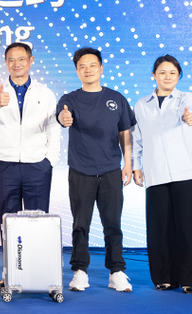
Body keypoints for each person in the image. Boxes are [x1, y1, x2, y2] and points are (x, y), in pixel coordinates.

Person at [0, 42, 59, 288]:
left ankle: (36, 272)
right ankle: (11, 272)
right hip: (6, 165)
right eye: (11, 60)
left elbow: (53, 129)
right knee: (8, 219)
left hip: (37, 166)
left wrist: (49, 161)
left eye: (21, 59)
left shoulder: (45, 93)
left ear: (31, 61)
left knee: (37, 220)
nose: (16, 63)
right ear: (6, 63)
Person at [56, 47, 136, 293]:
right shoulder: (69, 99)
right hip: (81, 170)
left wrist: (128, 164)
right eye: (82, 66)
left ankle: (117, 271)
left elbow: (125, 132)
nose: (88, 70)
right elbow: (62, 116)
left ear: (101, 68)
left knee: (113, 223)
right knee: (81, 224)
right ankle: (80, 271)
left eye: (92, 65)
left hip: (111, 169)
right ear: (77, 71)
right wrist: (64, 119)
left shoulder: (116, 98)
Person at [131, 55, 192, 294]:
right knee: (159, 227)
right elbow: (137, 137)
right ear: (154, 75)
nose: (167, 77)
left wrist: (191, 117)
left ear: (179, 76)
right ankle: (164, 277)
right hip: (155, 171)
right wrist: (136, 165)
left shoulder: (186, 98)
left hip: (184, 169)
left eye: (172, 73)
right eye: (162, 72)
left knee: (189, 226)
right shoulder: (141, 104)